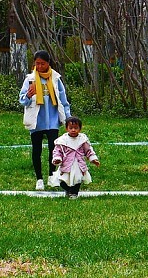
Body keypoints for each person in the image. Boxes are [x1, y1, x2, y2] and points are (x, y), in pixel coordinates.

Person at [19, 50, 70, 190]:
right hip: (36, 120)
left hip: (52, 119)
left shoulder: (55, 78)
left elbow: (63, 100)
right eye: (37, 64)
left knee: (54, 150)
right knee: (37, 149)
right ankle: (39, 179)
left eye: (42, 64)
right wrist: (28, 96)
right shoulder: (30, 79)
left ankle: (52, 176)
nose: (40, 66)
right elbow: (22, 100)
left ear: (48, 63)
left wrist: (67, 117)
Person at [50, 116, 100, 198]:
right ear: (67, 128)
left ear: (80, 129)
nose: (73, 130)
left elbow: (88, 150)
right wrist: (57, 159)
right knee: (62, 180)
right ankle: (68, 190)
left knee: (77, 180)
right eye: (71, 128)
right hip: (66, 165)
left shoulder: (82, 140)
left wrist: (93, 159)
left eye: (76, 128)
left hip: (78, 165)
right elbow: (57, 151)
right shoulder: (62, 141)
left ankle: (74, 193)